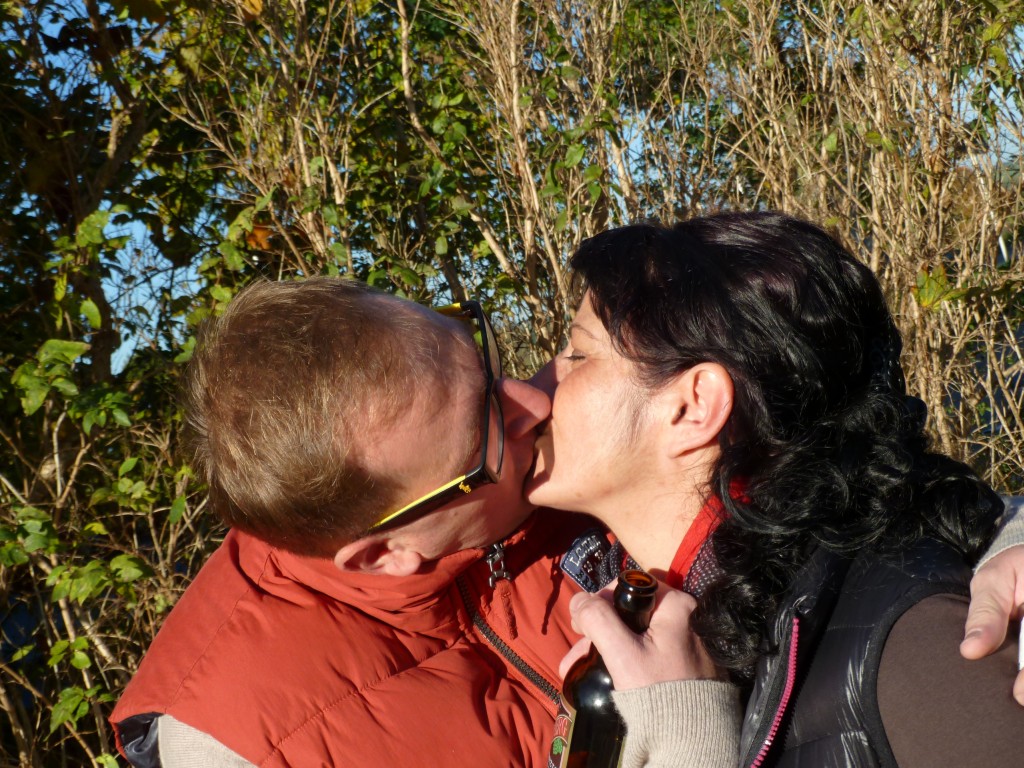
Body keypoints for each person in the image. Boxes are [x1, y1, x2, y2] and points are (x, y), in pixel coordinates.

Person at [111, 272, 1024, 767]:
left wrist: (1007, 537)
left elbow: (842, 492)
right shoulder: (241, 744)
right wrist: (689, 740)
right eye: (486, 430)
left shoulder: (559, 480)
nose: (534, 401)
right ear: (386, 552)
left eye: (486, 359)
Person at [525, 212, 1024, 768]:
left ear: (693, 407)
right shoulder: (661, 618)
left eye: (578, 354)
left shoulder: (922, 646)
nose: (541, 384)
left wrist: (689, 736)